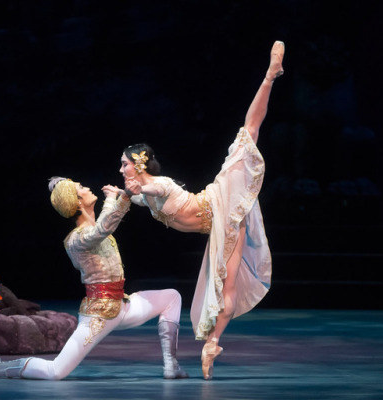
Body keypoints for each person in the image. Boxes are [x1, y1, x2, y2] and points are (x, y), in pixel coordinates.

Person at [121, 41, 285, 379]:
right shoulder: (145, 194)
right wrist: (122, 194)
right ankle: (213, 343)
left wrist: (140, 187)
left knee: (247, 135)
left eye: (124, 165)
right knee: (228, 289)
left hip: (219, 199)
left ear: (138, 166)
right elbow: (137, 198)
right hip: (222, 223)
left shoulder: (159, 184)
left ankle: (269, 76)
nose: (121, 170)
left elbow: (153, 188)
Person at [0, 178, 188, 380]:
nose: (88, 187)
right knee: (55, 372)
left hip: (122, 307)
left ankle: (172, 366)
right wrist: (118, 199)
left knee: (171, 297)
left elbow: (103, 226)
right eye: (81, 188)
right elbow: (102, 229)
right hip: (98, 315)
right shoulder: (76, 239)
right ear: (78, 202)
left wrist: (132, 195)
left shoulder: (94, 228)